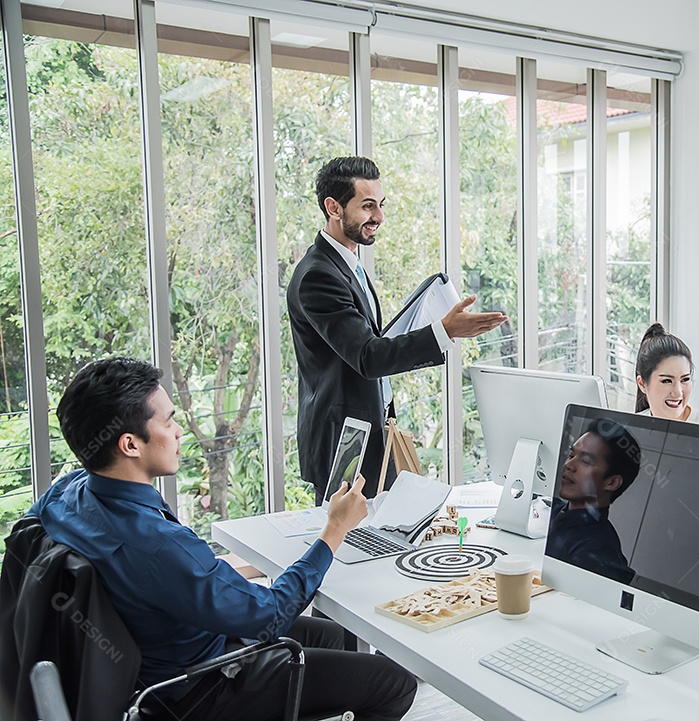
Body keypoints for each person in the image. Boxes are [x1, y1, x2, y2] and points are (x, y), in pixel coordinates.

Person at [28, 357, 417, 720]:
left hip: (162, 655)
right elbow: (269, 613)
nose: (179, 430)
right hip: (199, 687)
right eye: (168, 422)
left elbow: (27, 530)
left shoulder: (67, 494)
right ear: (130, 444)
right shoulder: (156, 546)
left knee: (330, 637)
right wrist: (334, 531)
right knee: (393, 682)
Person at [288, 156, 506, 502]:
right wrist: (443, 330)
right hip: (345, 442)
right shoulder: (319, 276)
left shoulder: (348, 265)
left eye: (381, 205)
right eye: (368, 206)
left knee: (379, 542)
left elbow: (366, 344)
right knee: (346, 544)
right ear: (333, 207)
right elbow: (367, 356)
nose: (379, 217)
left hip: (369, 431)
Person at [547, 419, 641, 584]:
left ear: (611, 482)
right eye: (571, 455)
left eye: (585, 461)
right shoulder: (549, 509)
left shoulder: (598, 552)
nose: (569, 465)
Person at [635, 322, 699, 426]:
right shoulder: (627, 432)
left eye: (685, 380)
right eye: (667, 381)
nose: (678, 393)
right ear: (642, 384)